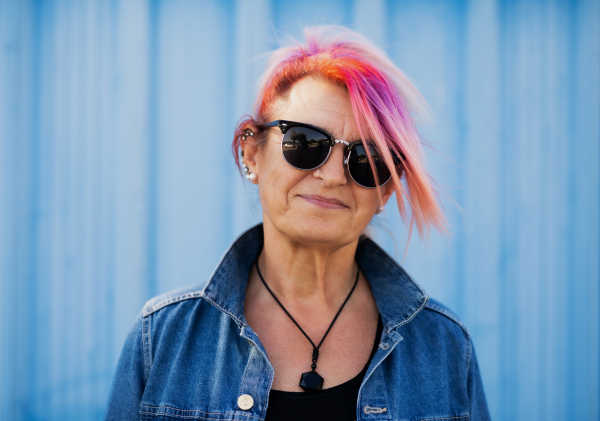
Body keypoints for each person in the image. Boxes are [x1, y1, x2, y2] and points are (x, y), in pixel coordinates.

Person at [105, 26, 490, 421]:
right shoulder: (163, 338)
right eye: (306, 143)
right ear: (251, 152)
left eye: (366, 160)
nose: (333, 176)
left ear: (387, 190)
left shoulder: (444, 348)